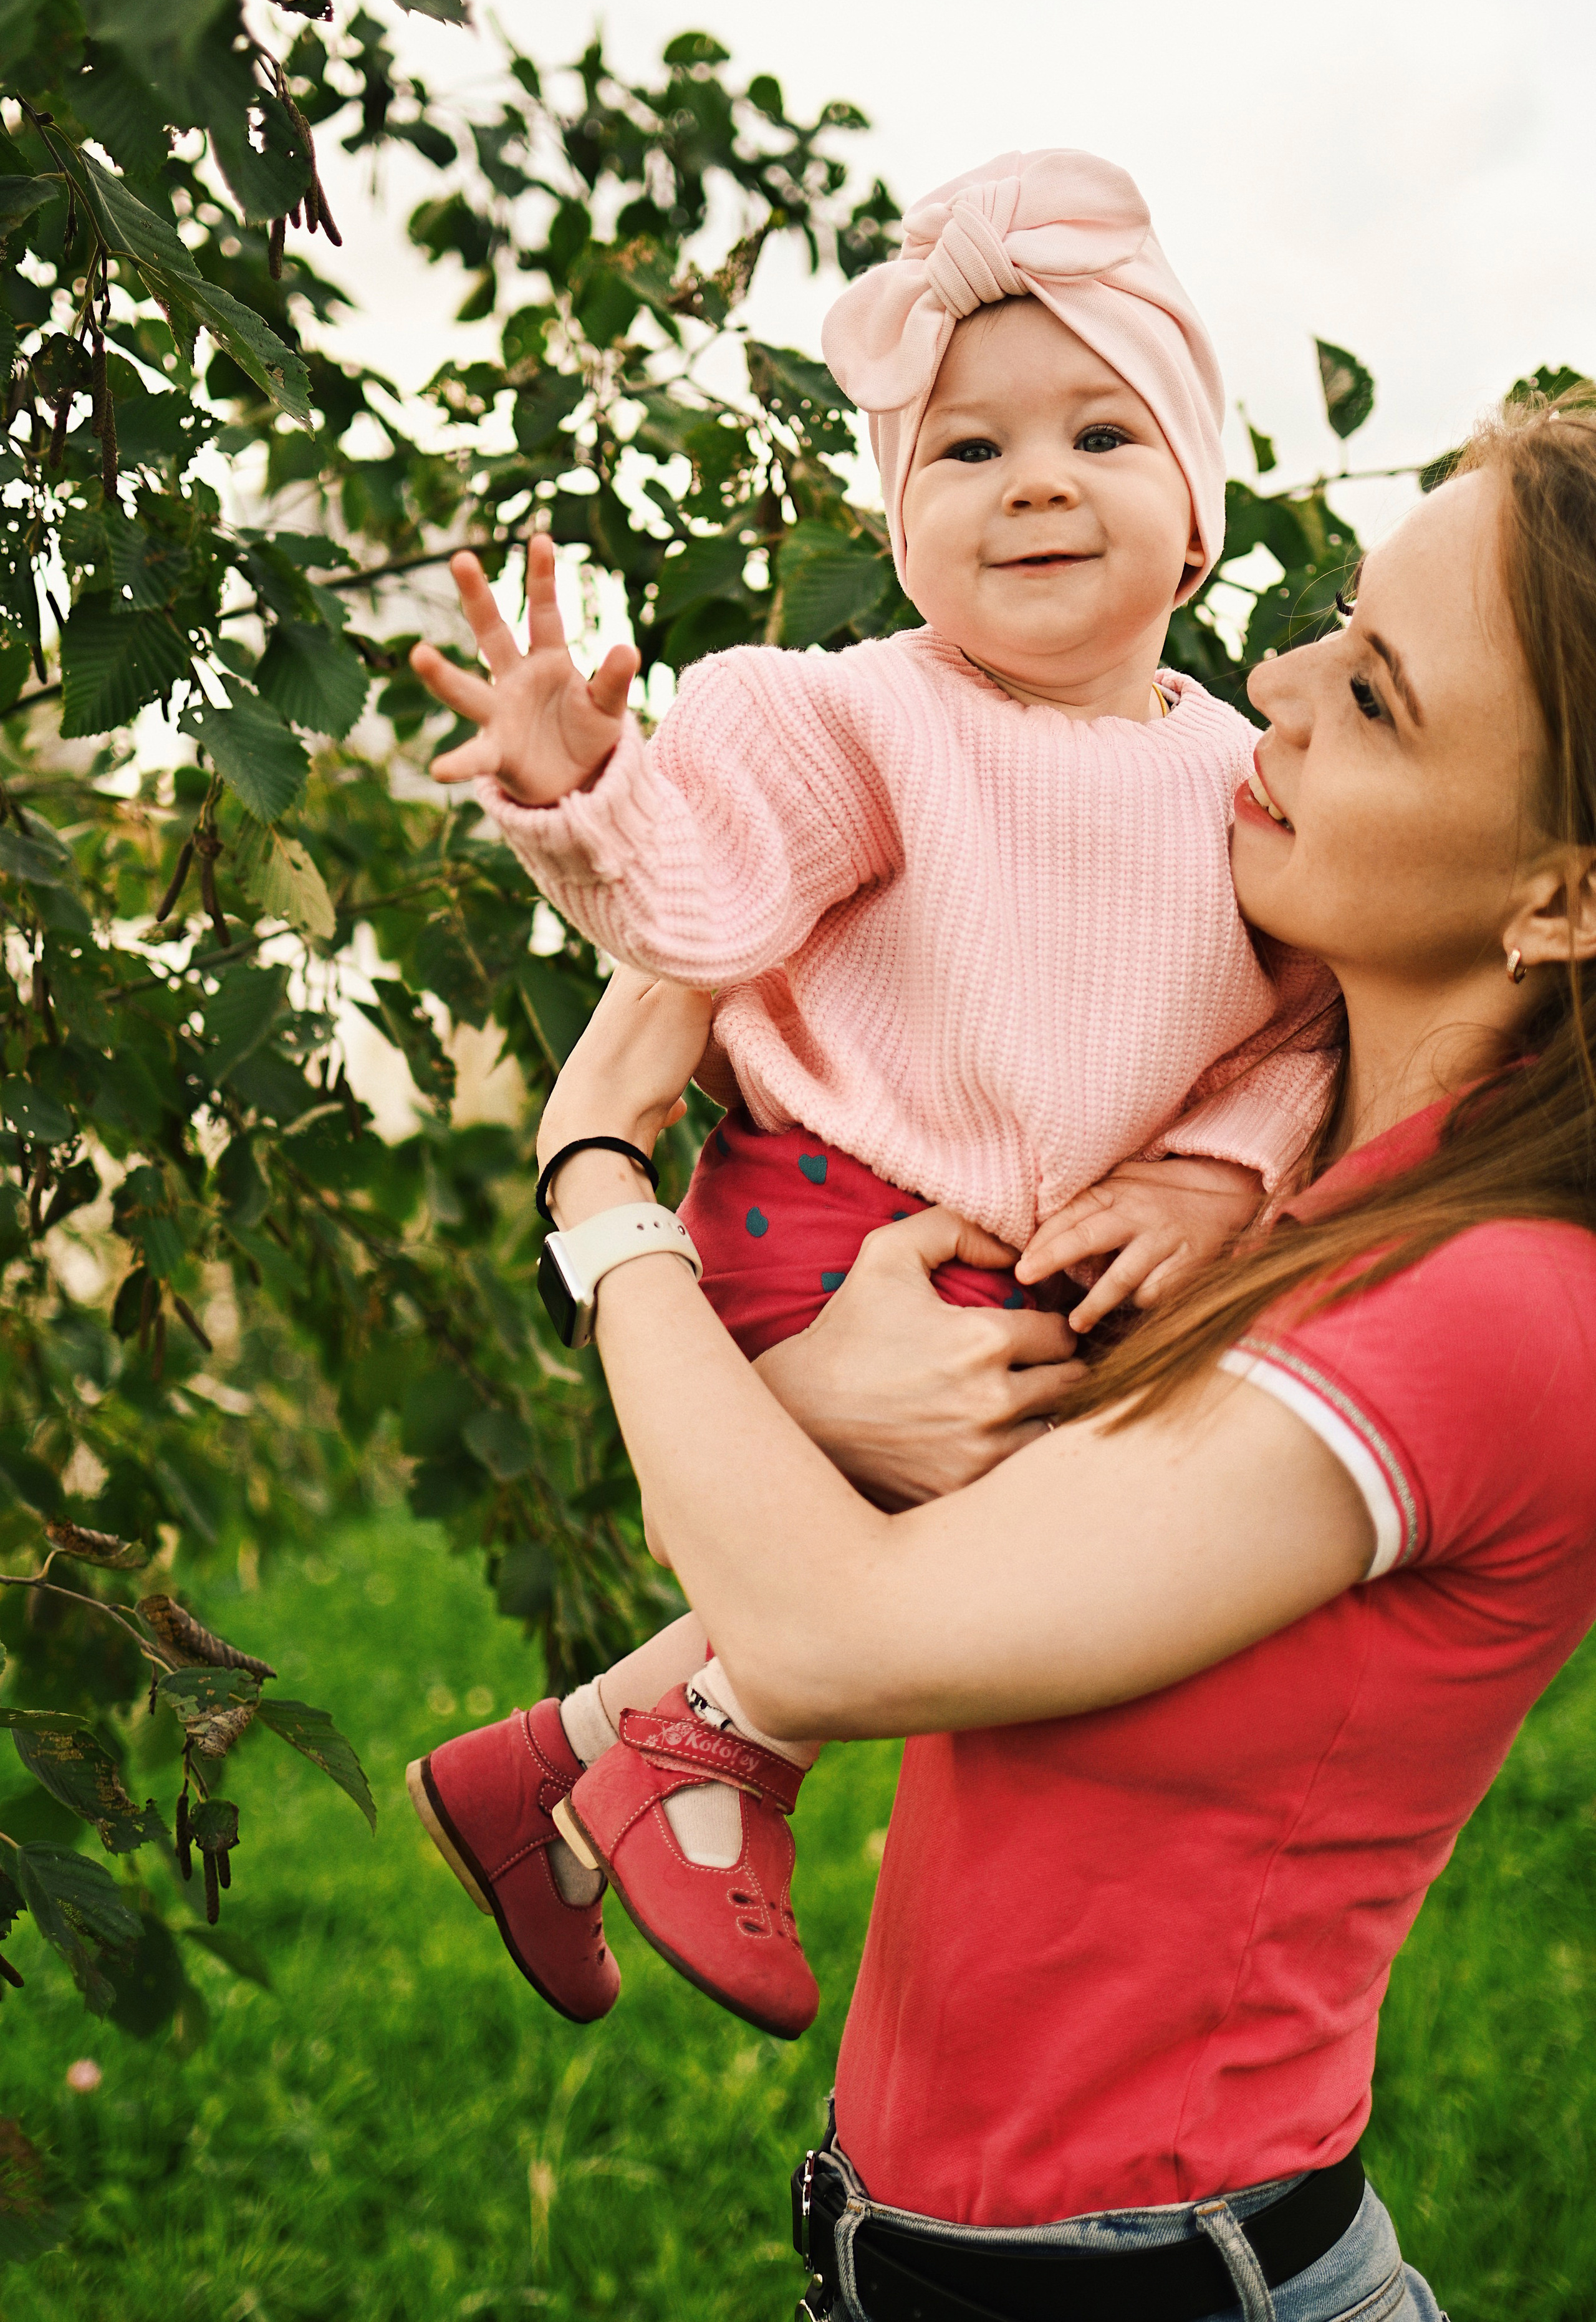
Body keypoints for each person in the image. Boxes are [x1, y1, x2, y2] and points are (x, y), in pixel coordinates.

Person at [493, 391, 1596, 2321]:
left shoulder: (1495, 1308)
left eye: (1384, 696)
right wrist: (806, 1395)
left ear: (1562, 896)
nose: (1275, 673)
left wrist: (602, 1176)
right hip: (933, 2257)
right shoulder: (1277, 1169)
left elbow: (839, 1633)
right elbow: (860, 1510)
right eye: (1334, 613)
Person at [405, 149, 1337, 2038]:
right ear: (899, 523)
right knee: (1084, 1517)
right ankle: (716, 1750)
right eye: (964, 454)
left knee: (1103, 1464)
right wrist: (589, 791)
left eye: (1100, 431)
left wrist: (1216, 1178)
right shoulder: (858, 718)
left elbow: (1303, 1029)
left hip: (1026, 1255)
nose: (1036, 482)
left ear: (1195, 521)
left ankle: (554, 1767)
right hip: (828, 1224)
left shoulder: (1247, 779)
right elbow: (705, 898)